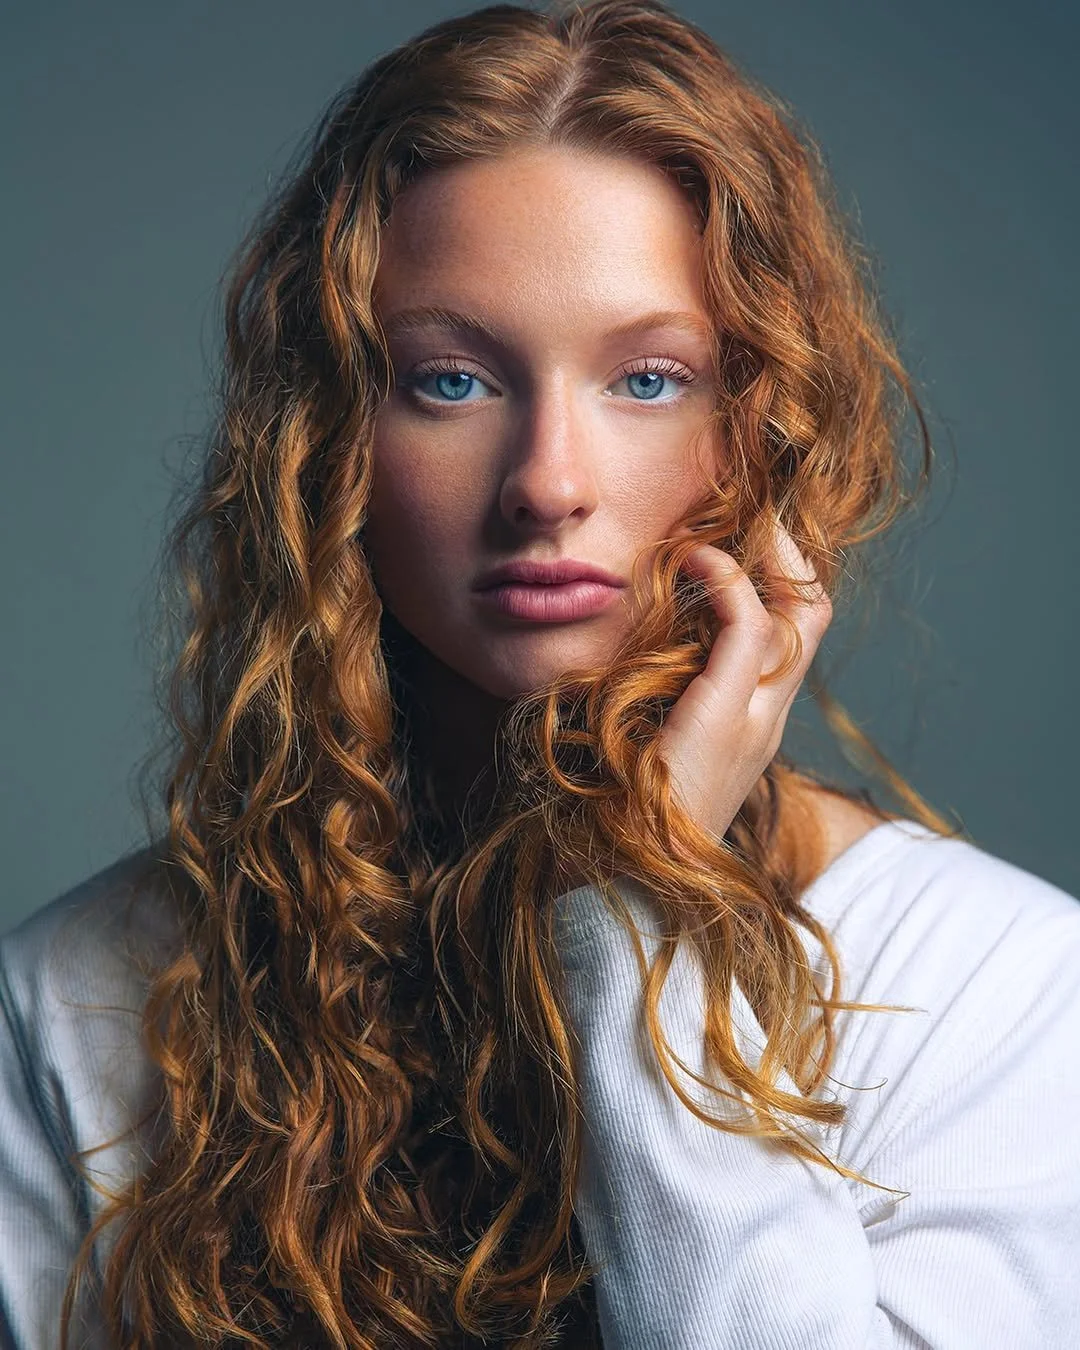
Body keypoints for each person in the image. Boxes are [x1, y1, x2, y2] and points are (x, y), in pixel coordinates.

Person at [1, 1, 1077, 1346]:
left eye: (649, 379)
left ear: (759, 429)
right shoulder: (80, 998)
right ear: (327, 436)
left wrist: (641, 902)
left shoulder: (990, 985)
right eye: (451, 381)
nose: (548, 484)